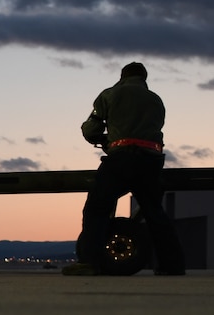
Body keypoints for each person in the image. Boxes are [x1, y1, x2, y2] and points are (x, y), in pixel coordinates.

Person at [70, 61, 187, 276]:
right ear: (144, 79)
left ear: (122, 76)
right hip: (151, 161)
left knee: (97, 207)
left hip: (121, 158)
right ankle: (173, 265)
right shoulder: (156, 100)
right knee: (155, 213)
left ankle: (89, 262)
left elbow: (90, 129)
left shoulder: (111, 94)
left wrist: (102, 139)